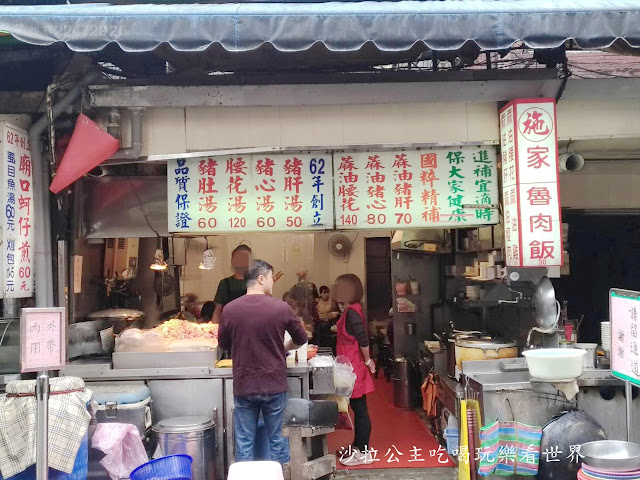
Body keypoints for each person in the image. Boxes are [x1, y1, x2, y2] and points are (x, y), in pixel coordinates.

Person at [218, 260, 308, 466]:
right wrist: (285, 347)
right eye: (270, 277)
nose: (272, 282)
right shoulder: (281, 308)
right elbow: (301, 338)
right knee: (278, 442)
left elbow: (223, 344)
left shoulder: (230, 310)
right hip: (274, 385)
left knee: (244, 444)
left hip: (244, 386)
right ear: (260, 278)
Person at [334, 273, 376, 467]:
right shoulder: (350, 309)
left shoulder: (352, 311)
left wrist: (368, 360)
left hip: (353, 369)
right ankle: (357, 447)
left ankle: (364, 451)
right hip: (348, 367)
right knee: (355, 409)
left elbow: (362, 338)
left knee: (360, 410)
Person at [212, 244, 252, 323]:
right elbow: (218, 310)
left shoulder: (255, 282)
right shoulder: (224, 283)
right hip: (230, 328)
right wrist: (214, 330)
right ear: (232, 261)